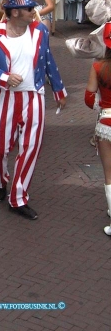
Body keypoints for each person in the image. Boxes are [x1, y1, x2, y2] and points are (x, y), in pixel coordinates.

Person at [0, 0, 67, 220]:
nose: (34, 12)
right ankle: (0, 178)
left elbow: (48, 60)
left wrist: (59, 89)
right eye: (29, 8)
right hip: (6, 97)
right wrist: (4, 77)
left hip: (35, 96)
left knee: (30, 148)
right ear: (15, 12)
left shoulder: (40, 32)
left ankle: (18, 198)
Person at [84, 22, 111, 235]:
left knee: (109, 173)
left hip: (106, 123)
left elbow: (88, 97)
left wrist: (99, 104)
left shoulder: (98, 67)